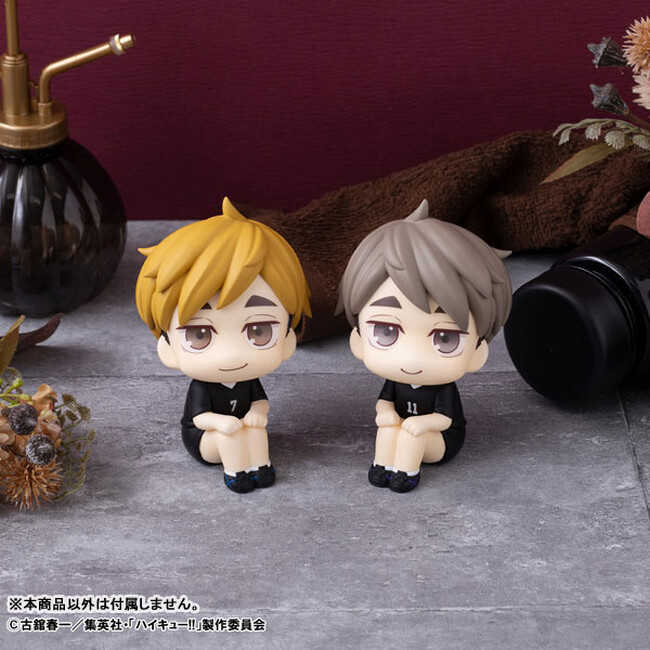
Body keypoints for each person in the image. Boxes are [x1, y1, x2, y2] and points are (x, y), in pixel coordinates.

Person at [135, 197, 311, 493]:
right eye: (199, 335)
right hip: (206, 439)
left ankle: (261, 467)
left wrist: (257, 414)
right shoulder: (202, 387)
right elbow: (199, 418)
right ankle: (236, 473)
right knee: (231, 437)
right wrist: (221, 423)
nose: (231, 354)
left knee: (256, 430)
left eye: (258, 331)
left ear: (287, 340)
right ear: (168, 349)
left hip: (240, 430)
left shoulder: (248, 380)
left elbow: (259, 402)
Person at [336, 199, 511, 493]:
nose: (413, 357)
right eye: (387, 331)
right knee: (388, 429)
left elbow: (445, 419)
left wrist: (423, 424)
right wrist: (386, 413)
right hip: (404, 429)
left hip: (439, 440)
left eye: (445, 338)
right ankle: (382, 466)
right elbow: (385, 402)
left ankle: (407, 473)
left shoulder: (442, 388)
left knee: (410, 436)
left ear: (477, 353)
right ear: (358, 340)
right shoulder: (396, 381)